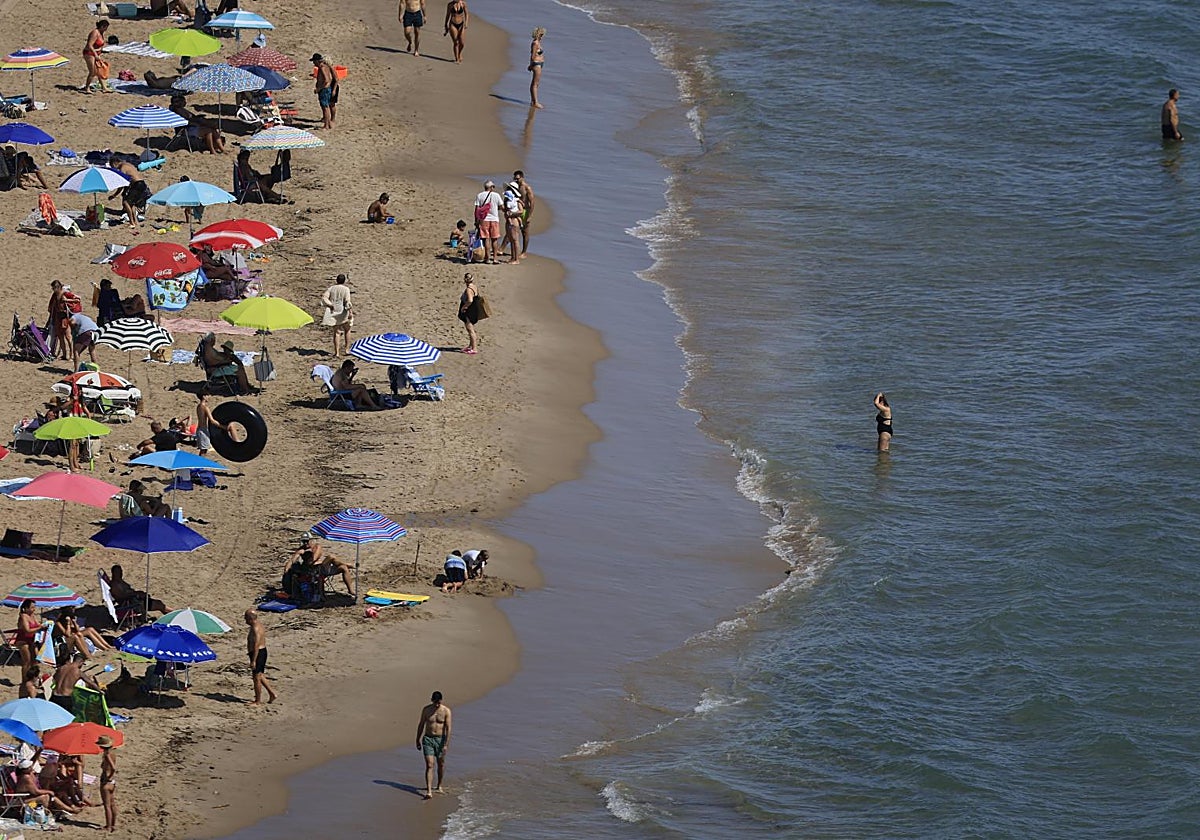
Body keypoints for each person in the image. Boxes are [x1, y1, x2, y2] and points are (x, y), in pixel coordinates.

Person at [285, 533, 356, 597]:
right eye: (304, 541)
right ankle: (349, 564)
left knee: (343, 567)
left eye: (307, 541)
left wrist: (308, 553)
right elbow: (292, 560)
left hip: (321, 567)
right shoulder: (301, 550)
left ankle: (350, 590)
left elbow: (314, 558)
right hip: (314, 570)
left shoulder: (317, 547)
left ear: (311, 540)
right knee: (332, 557)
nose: (305, 543)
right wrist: (286, 570)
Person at [415, 691, 451, 799]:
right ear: (432, 700)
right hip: (428, 739)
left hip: (440, 740)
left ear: (441, 701)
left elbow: (448, 729)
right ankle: (429, 791)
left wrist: (445, 744)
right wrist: (418, 739)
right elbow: (421, 724)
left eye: (438, 702)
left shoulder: (446, 711)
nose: (436, 705)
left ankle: (439, 785)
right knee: (430, 764)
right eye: (435, 702)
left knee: (440, 764)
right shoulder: (426, 710)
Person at [15, 761, 81, 817]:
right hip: (24, 803)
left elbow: (33, 760)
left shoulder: (28, 774)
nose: (31, 767)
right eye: (29, 767)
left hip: (30, 799)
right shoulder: (26, 778)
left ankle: (71, 809)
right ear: (24, 770)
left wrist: (39, 751)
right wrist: (49, 791)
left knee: (55, 795)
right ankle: (45, 814)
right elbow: (36, 792)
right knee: (45, 797)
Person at [107, 156, 150, 232]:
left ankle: (132, 222)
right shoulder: (128, 165)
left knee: (126, 202)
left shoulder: (122, 168)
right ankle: (136, 222)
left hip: (137, 184)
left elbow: (123, 183)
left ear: (114, 163)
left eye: (112, 166)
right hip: (141, 184)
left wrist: (114, 195)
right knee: (132, 204)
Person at [245, 608, 277, 705]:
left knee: (256, 678)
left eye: (246, 618)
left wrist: (253, 660)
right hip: (257, 653)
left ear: (250, 618)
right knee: (260, 675)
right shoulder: (256, 625)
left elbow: (256, 645)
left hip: (258, 654)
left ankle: (257, 701)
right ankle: (272, 693)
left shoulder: (256, 628)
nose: (245, 620)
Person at [321, 274, 354, 356]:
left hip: (334, 312)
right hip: (343, 312)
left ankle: (337, 352)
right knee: (347, 330)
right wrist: (350, 312)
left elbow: (324, 297)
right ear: (344, 281)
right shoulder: (346, 289)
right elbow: (347, 301)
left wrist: (330, 304)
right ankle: (347, 349)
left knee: (336, 332)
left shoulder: (331, 288)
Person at [474, 180, 502, 264]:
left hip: (484, 220)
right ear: (491, 187)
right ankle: (495, 258)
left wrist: (476, 221)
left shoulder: (479, 195)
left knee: (486, 239)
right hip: (494, 219)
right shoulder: (496, 195)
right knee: (494, 239)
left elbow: (476, 210)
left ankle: (487, 258)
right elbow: (501, 206)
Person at [194, 388, 226, 458]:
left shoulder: (199, 406)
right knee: (203, 451)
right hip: (203, 430)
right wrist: (223, 427)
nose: (209, 396)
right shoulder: (205, 407)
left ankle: (199, 466)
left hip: (199, 429)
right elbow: (212, 420)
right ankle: (199, 466)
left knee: (203, 450)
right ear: (204, 396)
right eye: (207, 395)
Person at [82, 20, 111, 94]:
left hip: (96, 53)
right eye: (106, 27)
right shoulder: (95, 33)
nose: (106, 29)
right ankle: (87, 88)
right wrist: (95, 54)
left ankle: (104, 87)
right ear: (102, 26)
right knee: (93, 72)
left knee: (99, 70)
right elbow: (89, 45)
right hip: (89, 53)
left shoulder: (101, 33)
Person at [312, 53, 339, 130]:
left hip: (324, 90)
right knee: (326, 107)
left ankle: (326, 125)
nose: (313, 63)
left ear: (317, 61)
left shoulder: (322, 68)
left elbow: (327, 80)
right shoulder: (325, 67)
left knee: (325, 107)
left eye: (314, 61)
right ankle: (328, 123)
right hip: (326, 89)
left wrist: (318, 89)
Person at [14, 599, 41, 674]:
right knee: (27, 662)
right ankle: (24, 681)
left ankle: (33, 678)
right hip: (23, 640)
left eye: (34, 607)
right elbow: (27, 630)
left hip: (32, 639)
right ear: (26, 608)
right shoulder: (23, 616)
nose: (34, 609)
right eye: (32, 607)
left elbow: (38, 625)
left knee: (35, 661)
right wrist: (39, 628)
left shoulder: (32, 616)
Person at [501, 181, 524, 264]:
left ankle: (516, 259)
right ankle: (512, 257)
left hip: (514, 221)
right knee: (511, 239)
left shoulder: (517, 201)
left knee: (515, 240)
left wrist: (512, 214)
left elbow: (521, 211)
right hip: (509, 220)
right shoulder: (508, 200)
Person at [98, 734, 117, 831]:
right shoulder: (113, 753)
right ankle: (113, 824)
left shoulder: (107, 755)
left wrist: (108, 777)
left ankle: (108, 826)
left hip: (106, 782)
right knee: (112, 804)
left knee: (107, 805)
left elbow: (113, 768)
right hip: (112, 782)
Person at [513, 170, 535, 257]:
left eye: (518, 179)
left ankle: (524, 252)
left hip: (525, 211)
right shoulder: (515, 186)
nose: (516, 180)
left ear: (522, 178)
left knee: (525, 232)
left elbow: (532, 202)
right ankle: (502, 248)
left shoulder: (527, 188)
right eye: (515, 179)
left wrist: (529, 215)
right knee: (512, 229)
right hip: (517, 209)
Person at [48, 280, 71, 361]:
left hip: (65, 318)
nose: (54, 290)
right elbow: (51, 307)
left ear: (59, 287)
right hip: (57, 317)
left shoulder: (64, 294)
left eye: (54, 288)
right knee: (60, 337)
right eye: (53, 288)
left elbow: (71, 306)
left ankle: (71, 355)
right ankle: (64, 354)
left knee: (68, 337)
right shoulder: (55, 295)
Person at [457, 273, 479, 355]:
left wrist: (464, 307)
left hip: (469, 311)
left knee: (470, 329)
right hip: (473, 310)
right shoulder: (474, 286)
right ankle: (470, 346)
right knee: (469, 328)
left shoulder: (469, 289)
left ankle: (474, 348)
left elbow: (470, 300)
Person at [529, 27, 546, 109]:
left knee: (536, 83)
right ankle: (535, 102)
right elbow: (533, 56)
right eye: (542, 35)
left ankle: (533, 101)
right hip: (536, 64)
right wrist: (531, 65)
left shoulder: (538, 42)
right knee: (535, 84)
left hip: (539, 64)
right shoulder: (535, 43)